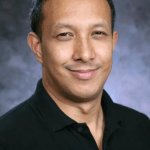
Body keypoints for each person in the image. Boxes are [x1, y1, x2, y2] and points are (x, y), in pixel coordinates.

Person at [0, 0, 150, 149]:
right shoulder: (7, 140)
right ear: (37, 47)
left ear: (112, 42)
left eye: (98, 33)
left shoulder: (142, 128)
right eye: (65, 34)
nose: (84, 54)